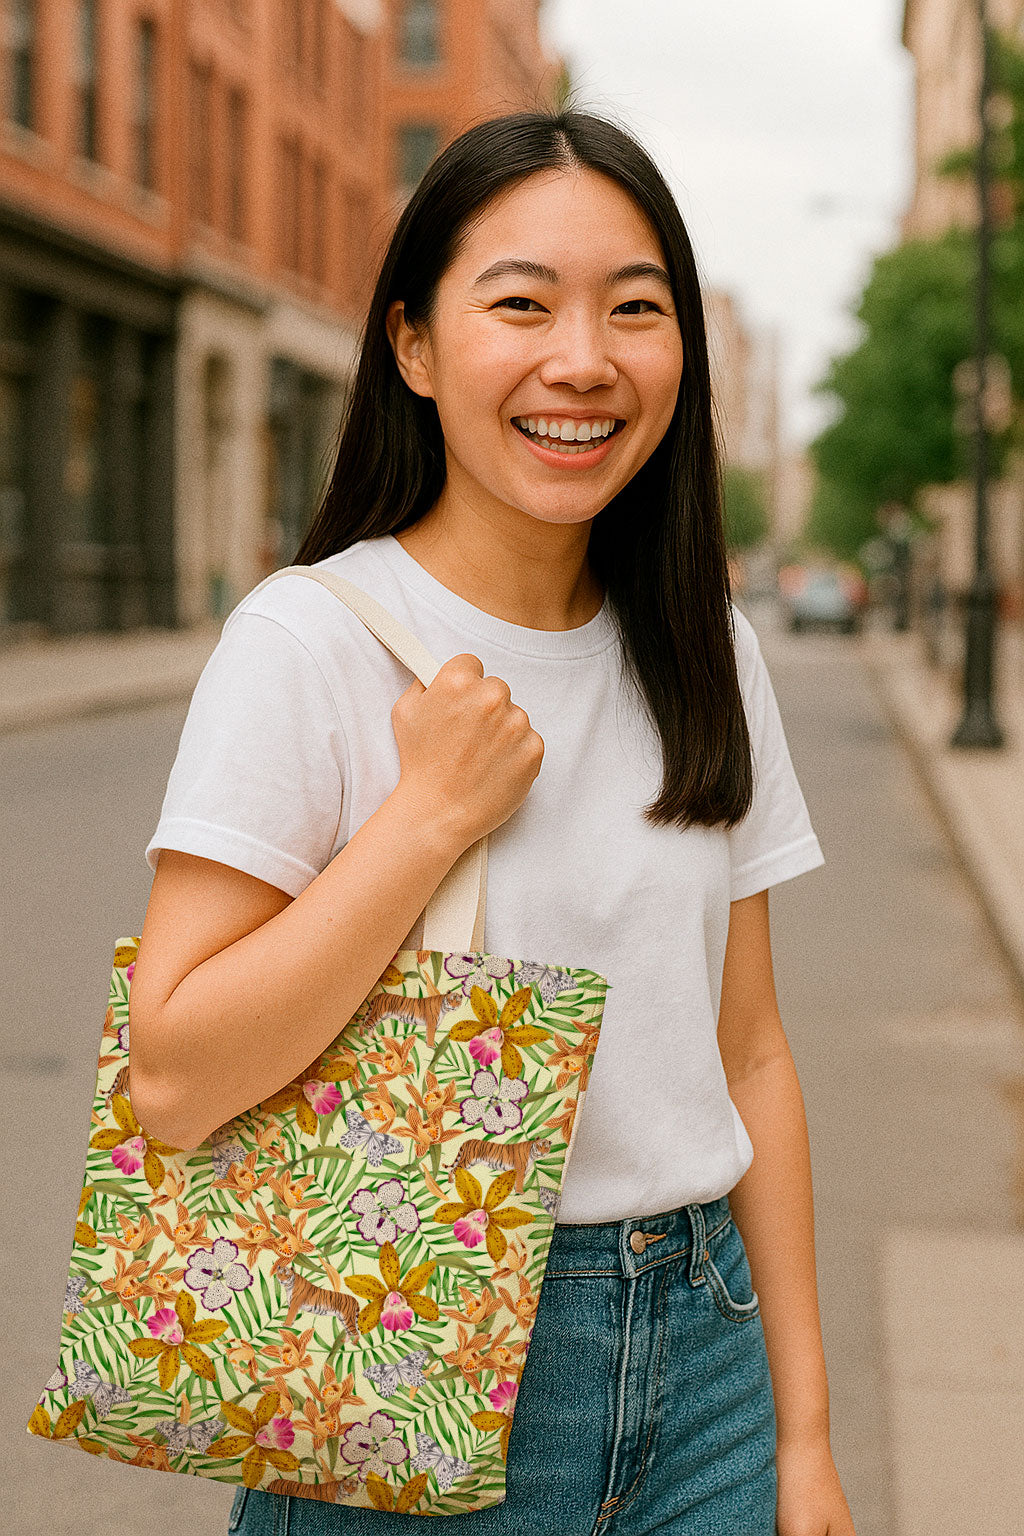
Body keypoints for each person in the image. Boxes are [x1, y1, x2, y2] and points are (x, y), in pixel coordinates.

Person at [129, 109, 855, 1536]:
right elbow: (174, 1075)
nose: (581, 360)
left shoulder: (704, 642)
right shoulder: (311, 641)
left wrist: (805, 1434)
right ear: (413, 346)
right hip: (411, 1337)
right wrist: (423, 821)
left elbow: (750, 1049)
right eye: (520, 303)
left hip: (705, 1363)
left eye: (634, 311)